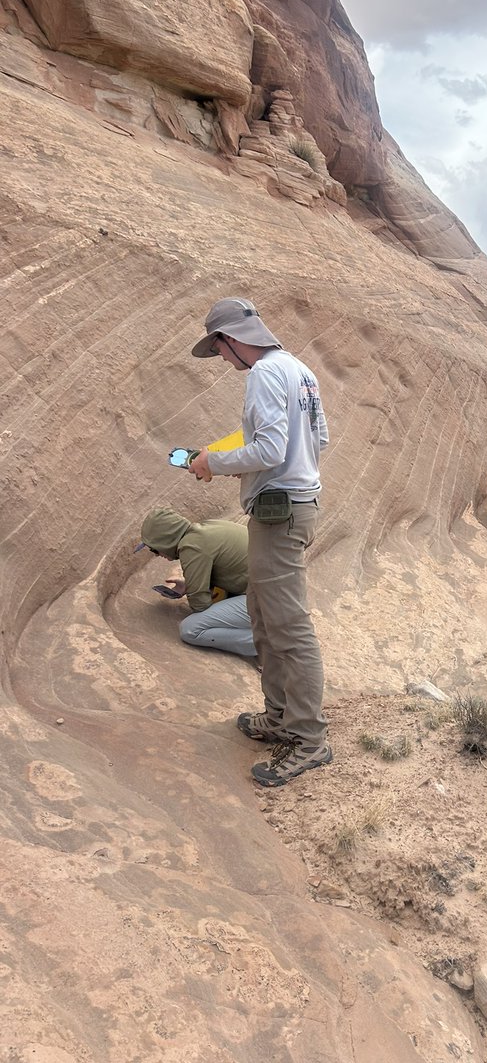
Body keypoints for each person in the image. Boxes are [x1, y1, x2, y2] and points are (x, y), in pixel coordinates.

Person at [188, 297, 331, 788]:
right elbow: (321, 438)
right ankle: (278, 717)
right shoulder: (300, 370)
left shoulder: (263, 374)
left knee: (288, 626)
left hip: (281, 510)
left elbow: (270, 448)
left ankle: (309, 740)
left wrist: (213, 463)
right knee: (264, 618)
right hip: (290, 504)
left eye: (221, 351)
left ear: (231, 339)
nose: (224, 362)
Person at [137, 507, 256, 659]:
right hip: (285, 590)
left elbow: (200, 604)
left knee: (191, 630)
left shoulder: (191, 546)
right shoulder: (206, 527)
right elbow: (231, 568)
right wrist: (190, 584)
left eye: (154, 550)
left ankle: (269, 643)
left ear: (165, 541)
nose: (157, 555)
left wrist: (195, 590)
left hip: (272, 601)